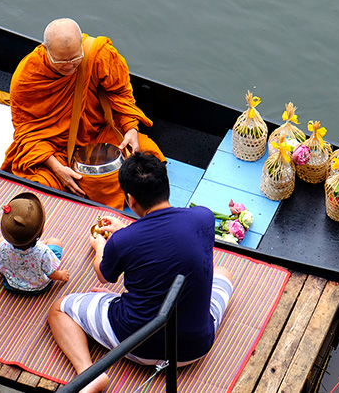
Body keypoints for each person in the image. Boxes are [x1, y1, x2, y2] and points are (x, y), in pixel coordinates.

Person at [47, 152, 234, 393]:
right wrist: (126, 230)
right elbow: (166, 237)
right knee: (223, 273)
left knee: (59, 308)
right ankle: (109, 306)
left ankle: (87, 374)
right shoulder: (204, 217)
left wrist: (100, 245)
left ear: (131, 200)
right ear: (167, 186)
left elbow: (104, 276)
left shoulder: (123, 241)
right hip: (194, 347)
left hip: (137, 343)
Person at [1, 18, 165, 210]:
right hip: (53, 147)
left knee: (148, 156)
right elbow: (26, 131)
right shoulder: (27, 78)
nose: (70, 66)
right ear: (45, 49)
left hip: (97, 132)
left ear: (81, 46)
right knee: (38, 189)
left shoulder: (98, 54)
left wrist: (130, 128)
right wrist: (56, 168)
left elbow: (120, 93)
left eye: (75, 59)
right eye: (61, 62)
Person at [0, 192, 70, 295]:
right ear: (41, 231)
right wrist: (61, 275)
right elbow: (51, 273)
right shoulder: (43, 252)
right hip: (39, 287)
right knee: (56, 242)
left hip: (12, 284)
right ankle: (33, 246)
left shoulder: (3, 247)